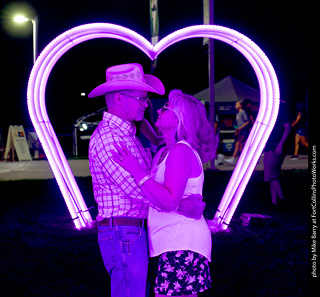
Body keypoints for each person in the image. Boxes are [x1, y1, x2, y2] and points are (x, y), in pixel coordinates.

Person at [88, 63, 206, 297]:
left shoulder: (129, 135)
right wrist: (179, 204)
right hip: (124, 232)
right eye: (141, 98)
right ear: (120, 99)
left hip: (140, 235)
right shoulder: (109, 139)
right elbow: (136, 188)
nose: (147, 104)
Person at [112, 90, 218, 296]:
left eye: (166, 107)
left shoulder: (181, 151)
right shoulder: (163, 152)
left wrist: (136, 171)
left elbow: (169, 201)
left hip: (182, 243)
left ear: (180, 119)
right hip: (168, 243)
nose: (160, 109)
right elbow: (155, 195)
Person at [263, 100, 291, 206]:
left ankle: (282, 200)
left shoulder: (281, 108)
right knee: (271, 175)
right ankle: (274, 201)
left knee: (272, 174)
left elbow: (287, 127)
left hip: (275, 145)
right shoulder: (271, 109)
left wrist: (280, 144)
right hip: (271, 144)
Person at [224, 101, 250, 165]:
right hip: (239, 132)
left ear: (240, 105)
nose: (235, 105)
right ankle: (243, 160)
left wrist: (240, 128)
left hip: (243, 131)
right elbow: (236, 123)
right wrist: (237, 130)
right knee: (239, 145)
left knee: (238, 144)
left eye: (237, 104)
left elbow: (247, 122)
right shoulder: (237, 114)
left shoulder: (242, 112)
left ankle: (234, 159)